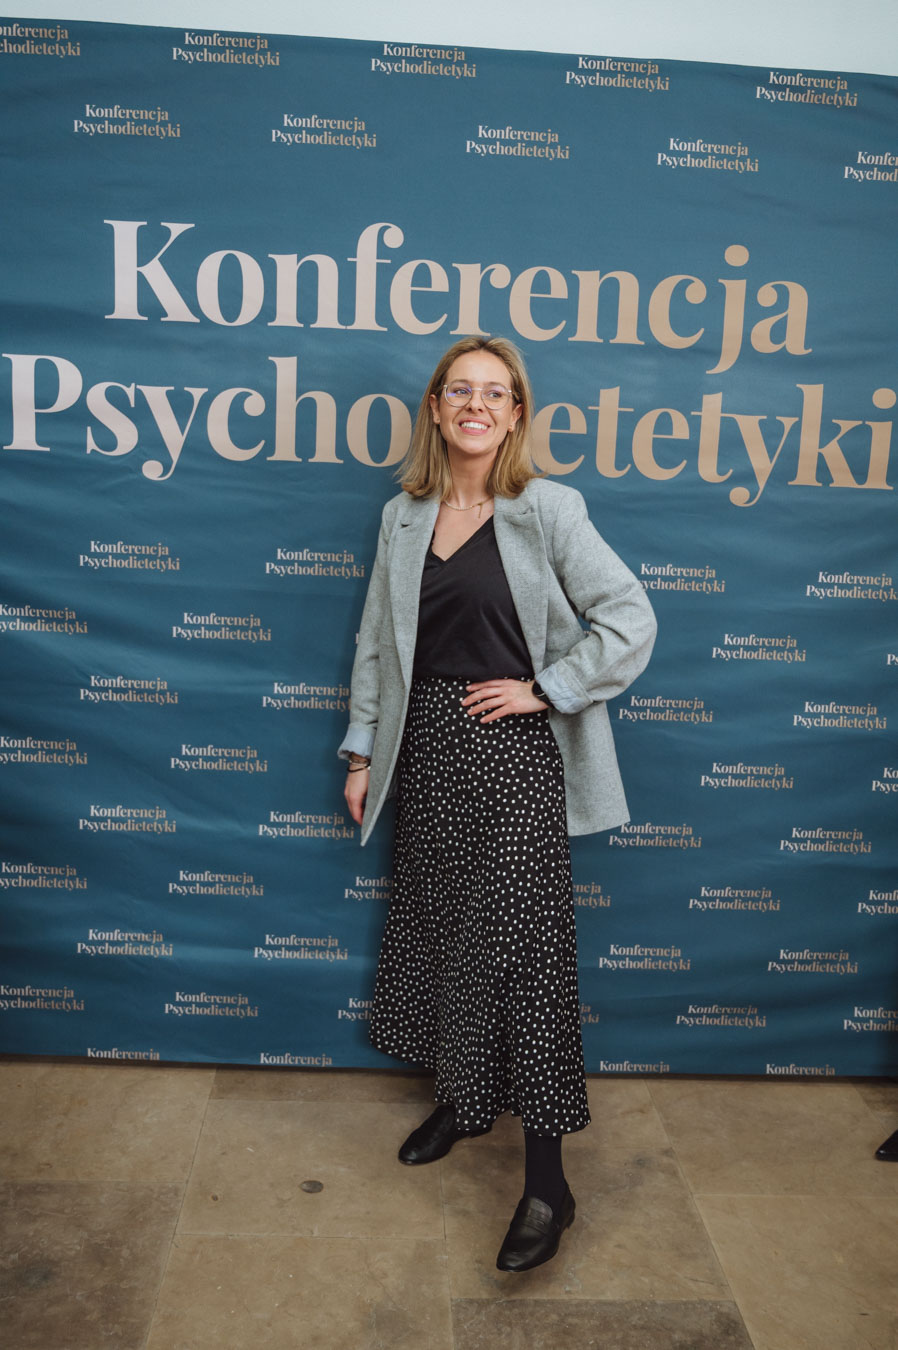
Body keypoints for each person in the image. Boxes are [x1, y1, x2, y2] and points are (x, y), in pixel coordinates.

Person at [338, 335, 656, 1272]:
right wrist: (361, 749)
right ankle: (464, 1100)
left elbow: (630, 618)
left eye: (495, 392)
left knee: (525, 959)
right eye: (459, 390)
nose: (475, 405)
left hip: (514, 759)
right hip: (426, 751)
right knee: (443, 930)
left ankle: (549, 1186)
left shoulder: (548, 508)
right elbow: (377, 643)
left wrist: (547, 688)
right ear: (436, 408)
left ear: (516, 413)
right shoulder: (402, 515)